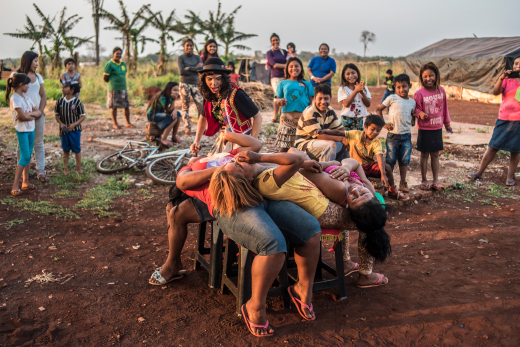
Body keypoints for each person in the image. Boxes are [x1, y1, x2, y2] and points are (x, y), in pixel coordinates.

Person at [150, 131, 322, 336]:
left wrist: (226, 136)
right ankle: (254, 307)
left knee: (310, 229)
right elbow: (182, 183)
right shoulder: (195, 167)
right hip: (232, 205)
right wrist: (220, 169)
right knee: (273, 245)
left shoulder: (229, 156)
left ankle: (302, 288)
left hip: (260, 193)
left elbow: (255, 147)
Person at [210, 150, 391, 288]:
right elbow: (297, 162)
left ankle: (349, 264)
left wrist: (342, 167)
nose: (357, 191)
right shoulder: (339, 187)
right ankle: (363, 273)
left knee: (370, 219)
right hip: (327, 206)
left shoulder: (354, 188)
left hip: (332, 198)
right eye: (237, 163)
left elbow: (301, 162)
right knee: (372, 224)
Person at [319, 115, 410, 201]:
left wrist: (383, 174)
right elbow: (339, 132)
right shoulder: (355, 134)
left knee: (387, 167)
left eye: (378, 130)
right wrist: (324, 131)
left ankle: (392, 190)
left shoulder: (376, 142)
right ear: (365, 127)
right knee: (356, 185)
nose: (375, 132)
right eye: (372, 129)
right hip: (355, 167)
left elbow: (379, 156)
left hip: (369, 166)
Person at [190, 57, 263, 156]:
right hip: (224, 138)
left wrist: (253, 143)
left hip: (242, 139)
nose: (214, 83)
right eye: (209, 79)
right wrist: (196, 141)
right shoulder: (209, 95)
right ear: (204, 80)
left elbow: (258, 116)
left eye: (218, 78)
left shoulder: (237, 94)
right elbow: (203, 118)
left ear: (224, 78)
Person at [468, 56, 520, 186]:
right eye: (516, 63)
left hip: (519, 121)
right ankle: (479, 172)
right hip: (504, 119)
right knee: (493, 147)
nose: (517, 66)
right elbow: (496, 92)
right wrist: (501, 79)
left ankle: (510, 176)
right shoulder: (507, 80)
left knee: (516, 150)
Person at [413, 62, 452, 191]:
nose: (428, 79)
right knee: (424, 155)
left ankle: (435, 181)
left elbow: (445, 109)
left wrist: (447, 124)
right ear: (421, 77)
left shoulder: (441, 91)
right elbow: (415, 109)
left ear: (436, 76)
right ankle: (424, 180)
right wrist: (420, 114)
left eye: (431, 75)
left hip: (437, 128)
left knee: (435, 154)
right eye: (425, 76)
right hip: (424, 129)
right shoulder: (419, 94)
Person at [11, 51, 48, 182]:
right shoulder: (16, 76)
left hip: (38, 114)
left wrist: (40, 111)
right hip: (23, 116)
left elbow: (43, 95)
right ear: (28, 61)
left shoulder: (38, 77)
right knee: (23, 145)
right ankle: (21, 174)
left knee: (38, 143)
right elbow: (15, 97)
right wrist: (27, 114)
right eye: (35, 61)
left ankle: (41, 171)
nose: (37, 64)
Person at [376, 74, 416, 193]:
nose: (401, 89)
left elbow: (413, 118)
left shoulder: (412, 102)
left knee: (404, 160)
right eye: (398, 87)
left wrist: (412, 120)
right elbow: (378, 110)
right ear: (394, 87)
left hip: (406, 136)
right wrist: (383, 124)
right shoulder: (392, 98)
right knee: (390, 161)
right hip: (392, 136)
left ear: (410, 86)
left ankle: (403, 183)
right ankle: (387, 184)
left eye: (404, 86)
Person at [6, 73, 41, 196]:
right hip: (22, 130)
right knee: (25, 156)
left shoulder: (26, 97)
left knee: (28, 155)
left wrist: (28, 116)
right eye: (27, 84)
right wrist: (31, 115)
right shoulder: (15, 98)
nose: (28, 86)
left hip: (30, 129)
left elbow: (38, 113)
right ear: (21, 84)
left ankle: (25, 182)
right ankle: (15, 184)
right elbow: (25, 116)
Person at [294, 84, 346, 161]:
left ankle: (341, 167)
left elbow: (340, 129)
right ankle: (325, 169)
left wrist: (348, 137)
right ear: (314, 99)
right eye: (320, 99)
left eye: (326, 99)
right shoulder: (310, 112)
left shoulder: (330, 110)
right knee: (331, 145)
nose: (323, 102)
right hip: (304, 144)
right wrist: (341, 139)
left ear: (330, 99)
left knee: (346, 143)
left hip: (320, 142)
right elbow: (319, 136)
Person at [274, 57, 314, 151]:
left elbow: (311, 101)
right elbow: (277, 99)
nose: (294, 68)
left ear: (301, 68)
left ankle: (299, 163)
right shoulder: (282, 83)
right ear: (287, 69)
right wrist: (280, 101)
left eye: (296, 66)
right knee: (285, 144)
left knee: (301, 143)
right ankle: (281, 162)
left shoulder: (307, 84)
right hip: (287, 118)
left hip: (303, 117)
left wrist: (313, 115)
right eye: (291, 66)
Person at [54, 82, 86, 175]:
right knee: (65, 150)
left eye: (66, 87)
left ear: (71, 91)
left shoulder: (77, 102)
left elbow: (83, 116)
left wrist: (74, 125)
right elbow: (57, 115)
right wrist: (61, 124)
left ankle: (79, 169)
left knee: (77, 149)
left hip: (75, 131)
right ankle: (65, 170)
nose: (63, 88)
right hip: (63, 131)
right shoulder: (59, 102)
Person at [177, 38, 205, 137]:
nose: (189, 47)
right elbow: (181, 72)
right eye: (187, 45)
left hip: (196, 84)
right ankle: (187, 129)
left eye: (191, 45)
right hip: (184, 84)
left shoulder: (197, 57)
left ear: (193, 46)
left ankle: (200, 127)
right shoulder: (181, 58)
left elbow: (202, 68)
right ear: (184, 47)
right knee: (185, 107)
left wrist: (189, 68)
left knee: (201, 105)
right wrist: (196, 68)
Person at [103, 47, 134, 130]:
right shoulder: (109, 64)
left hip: (123, 88)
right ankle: (115, 123)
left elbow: (124, 73)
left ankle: (128, 122)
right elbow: (105, 77)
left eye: (120, 53)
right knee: (114, 106)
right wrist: (113, 82)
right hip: (113, 88)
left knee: (126, 106)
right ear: (113, 54)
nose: (118, 55)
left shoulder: (123, 64)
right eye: (117, 53)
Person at [338, 63, 372, 131]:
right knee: (346, 138)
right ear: (344, 76)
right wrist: (356, 91)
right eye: (348, 74)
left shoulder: (364, 88)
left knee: (358, 139)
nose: (351, 76)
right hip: (346, 119)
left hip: (359, 119)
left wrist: (361, 92)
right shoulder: (343, 89)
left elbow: (368, 104)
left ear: (357, 74)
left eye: (353, 73)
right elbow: (346, 104)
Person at [146, 82, 181, 146]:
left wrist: (175, 110)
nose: (177, 92)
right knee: (173, 118)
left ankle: (174, 137)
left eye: (177, 90)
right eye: (174, 90)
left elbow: (171, 109)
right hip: (152, 115)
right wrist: (173, 100)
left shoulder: (169, 96)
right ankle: (164, 139)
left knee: (178, 114)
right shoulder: (163, 97)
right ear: (168, 89)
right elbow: (168, 110)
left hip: (160, 113)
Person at [266, 33, 287, 123]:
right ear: (271, 42)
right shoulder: (269, 53)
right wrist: (287, 66)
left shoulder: (284, 52)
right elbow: (274, 64)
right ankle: (275, 115)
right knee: (277, 95)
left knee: (284, 95)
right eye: (273, 40)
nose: (275, 42)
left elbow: (291, 59)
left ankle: (280, 115)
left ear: (279, 41)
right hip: (275, 77)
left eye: (276, 40)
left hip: (285, 77)